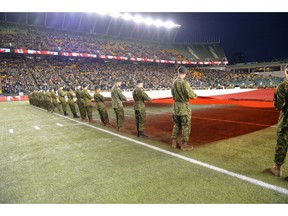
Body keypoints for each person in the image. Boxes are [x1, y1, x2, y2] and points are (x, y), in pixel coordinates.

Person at [266, 64, 288, 179]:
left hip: (286, 122)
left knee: (282, 144)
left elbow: (278, 106)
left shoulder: (283, 87)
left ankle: (277, 168)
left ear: (286, 72)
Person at [171, 66, 197, 150]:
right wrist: (195, 95)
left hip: (176, 107)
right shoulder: (184, 83)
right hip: (184, 108)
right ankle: (184, 144)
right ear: (184, 74)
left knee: (176, 125)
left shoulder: (174, 82)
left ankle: (174, 142)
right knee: (186, 126)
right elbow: (192, 95)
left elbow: (173, 94)